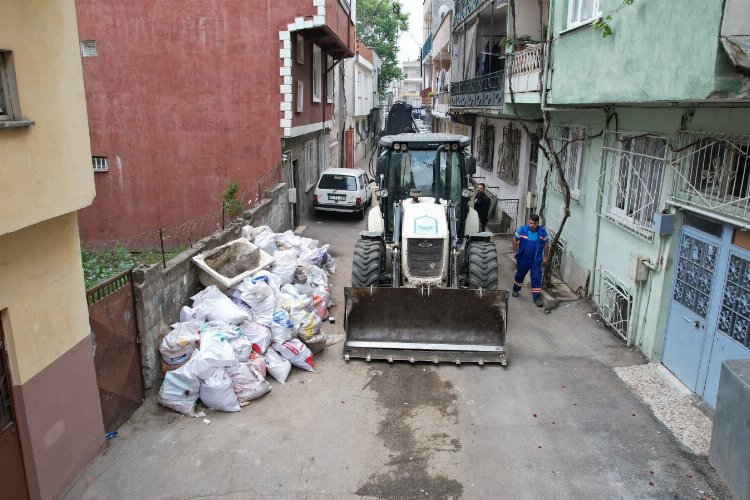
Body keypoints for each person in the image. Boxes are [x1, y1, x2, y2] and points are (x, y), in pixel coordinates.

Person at [512, 214, 549, 307]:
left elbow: (546, 244)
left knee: (536, 277)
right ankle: (515, 289)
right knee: (520, 274)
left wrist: (545, 257)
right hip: (523, 258)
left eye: (534, 224)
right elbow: (514, 239)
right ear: (528, 221)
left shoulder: (542, 232)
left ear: (538, 223)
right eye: (530, 223)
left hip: (536, 260)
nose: (532, 225)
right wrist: (516, 252)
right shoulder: (522, 229)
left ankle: (536, 297)